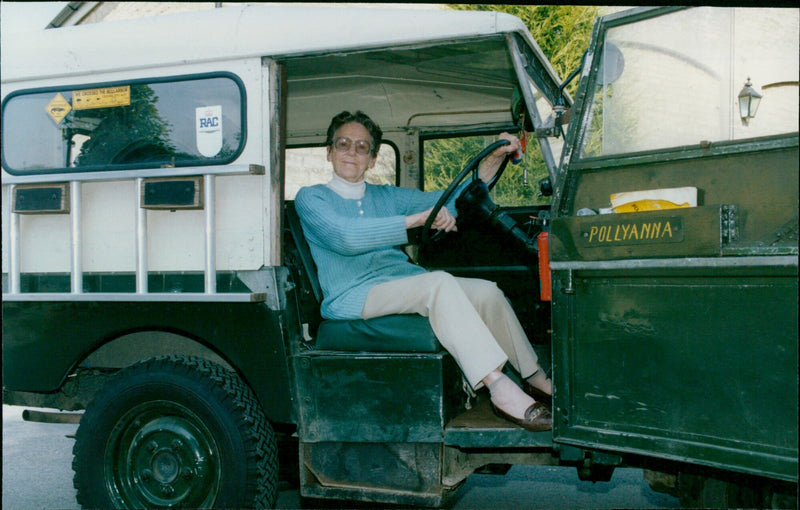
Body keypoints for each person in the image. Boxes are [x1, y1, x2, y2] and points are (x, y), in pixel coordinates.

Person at [295, 110, 553, 431]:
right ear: (330, 152)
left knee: (487, 291)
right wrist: (416, 219)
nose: (351, 152)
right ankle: (497, 385)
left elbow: (450, 199)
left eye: (362, 147)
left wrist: (495, 158)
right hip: (353, 294)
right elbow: (345, 237)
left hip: (401, 283)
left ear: (373, 159)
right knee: (439, 284)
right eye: (343, 144)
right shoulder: (312, 197)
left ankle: (534, 377)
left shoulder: (386, 195)